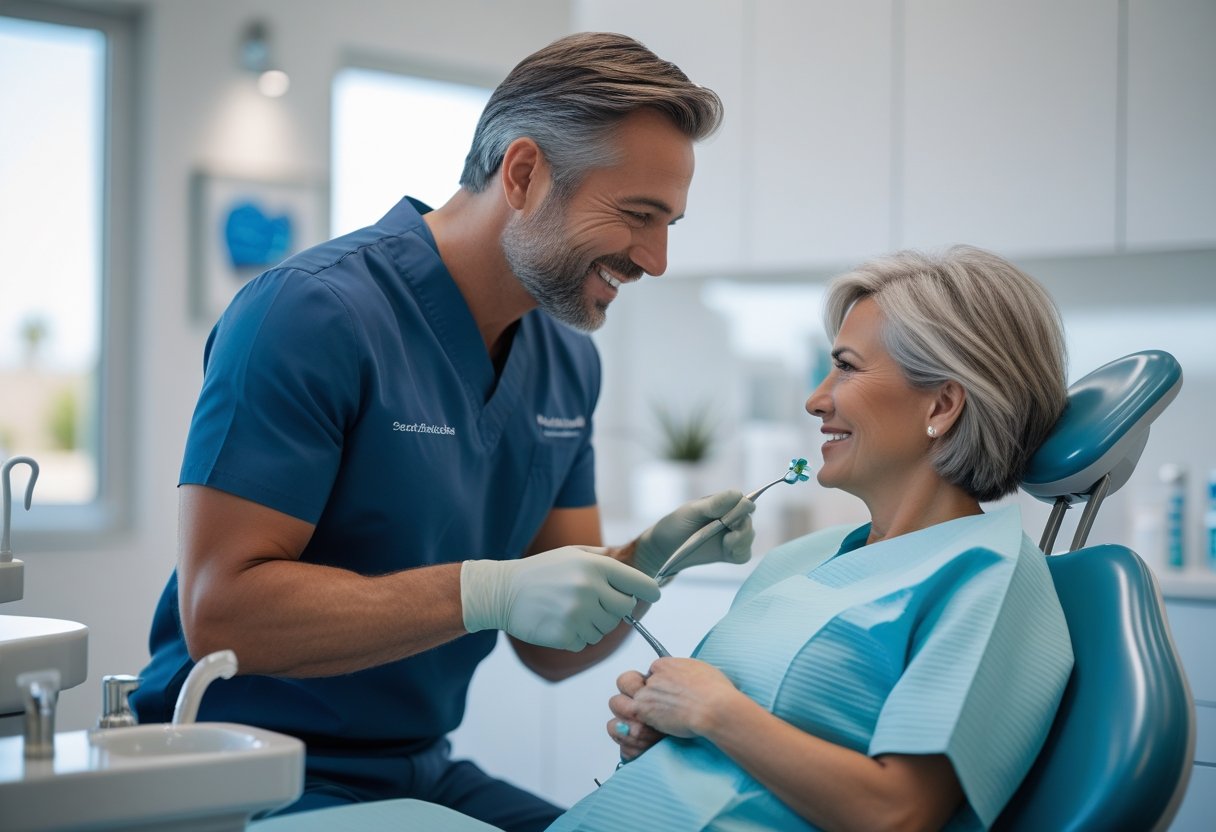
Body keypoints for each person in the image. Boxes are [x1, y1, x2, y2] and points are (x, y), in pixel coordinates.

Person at [131, 32, 756, 832]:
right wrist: (485, 590)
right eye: (638, 216)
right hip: (237, 767)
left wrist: (650, 561)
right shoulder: (309, 314)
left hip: (419, 767)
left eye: (669, 222)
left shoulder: (567, 362)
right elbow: (223, 616)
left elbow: (552, 651)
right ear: (525, 174)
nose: (657, 258)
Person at [551, 246, 1076, 831]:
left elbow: (899, 813)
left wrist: (714, 712)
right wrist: (662, 735)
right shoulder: (801, 558)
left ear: (943, 403)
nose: (815, 398)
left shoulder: (990, 578)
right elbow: (754, 752)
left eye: (847, 367)